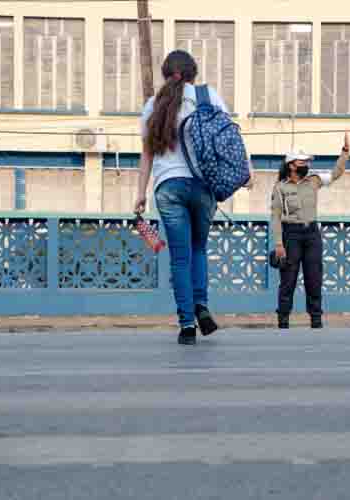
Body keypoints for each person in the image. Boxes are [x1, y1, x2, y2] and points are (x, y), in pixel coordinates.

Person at [135, 50, 235, 345]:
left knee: (180, 259)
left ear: (166, 74)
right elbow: (228, 137)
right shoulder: (207, 96)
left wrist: (140, 194)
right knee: (199, 249)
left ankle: (187, 325)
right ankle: (201, 305)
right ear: (194, 73)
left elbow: (147, 154)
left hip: (168, 187)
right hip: (203, 185)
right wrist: (246, 171)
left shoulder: (153, 105)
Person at [271, 134, 350, 329]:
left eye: (307, 161)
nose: (306, 164)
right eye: (302, 161)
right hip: (291, 235)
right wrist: (279, 244)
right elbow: (275, 216)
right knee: (288, 280)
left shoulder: (314, 180)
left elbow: (336, 174)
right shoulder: (280, 187)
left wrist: (345, 153)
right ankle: (283, 320)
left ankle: (316, 319)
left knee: (314, 277)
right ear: (291, 165)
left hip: (312, 234)